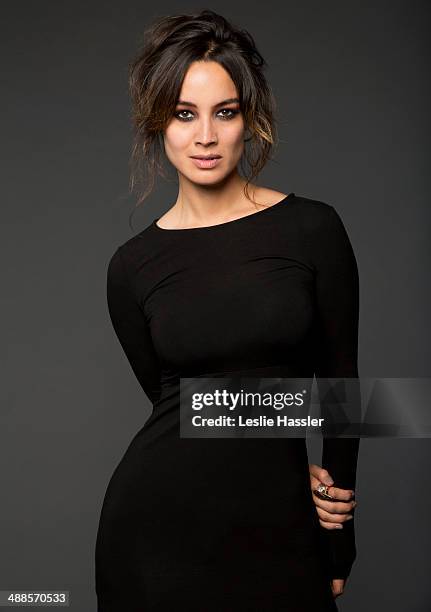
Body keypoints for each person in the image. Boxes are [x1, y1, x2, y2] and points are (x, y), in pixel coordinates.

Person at [95, 9, 360, 611]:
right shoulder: (132, 265)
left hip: (283, 528)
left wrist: (339, 535)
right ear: (157, 124)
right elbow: (180, 403)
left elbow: (344, 383)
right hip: (154, 532)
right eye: (184, 115)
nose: (205, 137)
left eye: (225, 112)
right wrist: (270, 423)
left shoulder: (312, 228)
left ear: (251, 119)